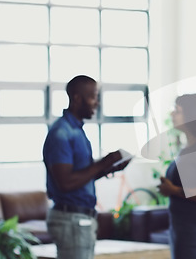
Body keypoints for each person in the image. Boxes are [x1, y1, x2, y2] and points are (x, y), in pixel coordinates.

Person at [43, 75, 130, 259]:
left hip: (80, 219)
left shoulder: (77, 131)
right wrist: (103, 162)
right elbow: (65, 183)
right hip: (71, 219)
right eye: (93, 97)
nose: (96, 103)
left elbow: (80, 177)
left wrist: (108, 168)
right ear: (77, 98)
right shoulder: (61, 133)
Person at [157, 94, 196, 259]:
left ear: (191, 115)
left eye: (177, 111)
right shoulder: (186, 148)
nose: (172, 114)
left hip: (195, 227)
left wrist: (173, 189)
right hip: (182, 226)